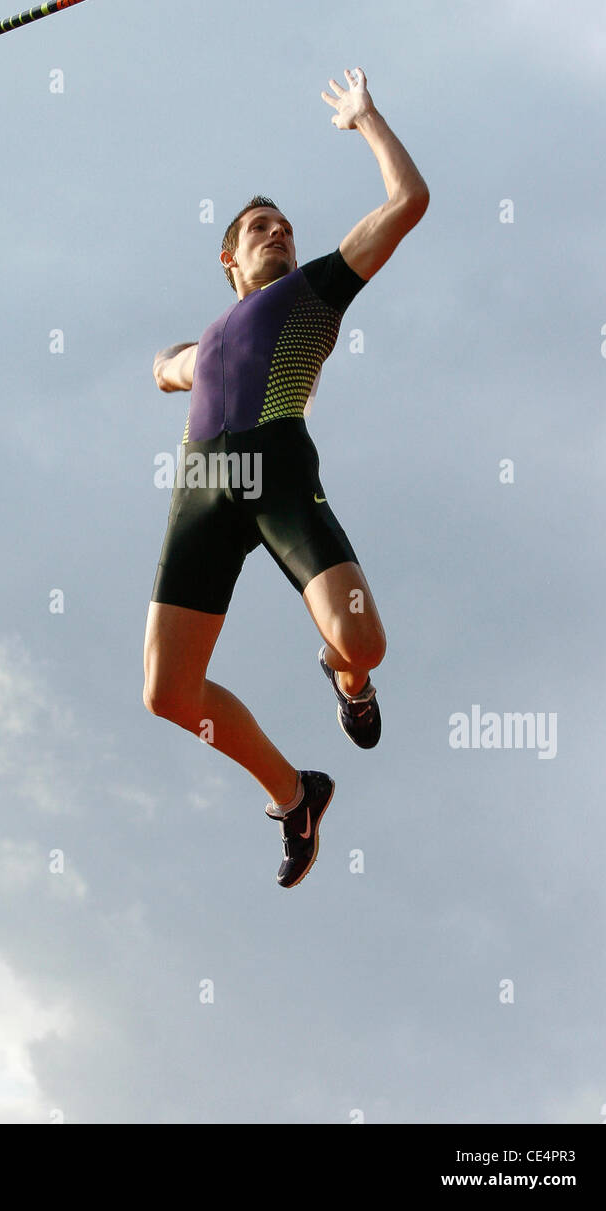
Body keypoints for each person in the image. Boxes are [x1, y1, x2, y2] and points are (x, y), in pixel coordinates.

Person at [143, 67, 429, 888]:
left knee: (363, 642)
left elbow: (407, 203)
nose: (278, 234)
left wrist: (367, 121)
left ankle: (346, 676)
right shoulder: (208, 335)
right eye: (261, 228)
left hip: (274, 470)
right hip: (202, 489)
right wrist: (181, 364)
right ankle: (294, 795)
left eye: (285, 228)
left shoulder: (312, 294)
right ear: (228, 256)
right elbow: (163, 366)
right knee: (166, 692)